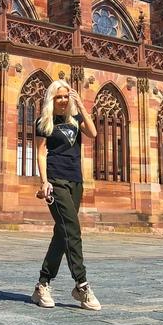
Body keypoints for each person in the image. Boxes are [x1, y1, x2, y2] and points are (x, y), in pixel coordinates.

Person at [31, 79, 101, 311]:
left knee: (63, 233)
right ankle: (82, 284)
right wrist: (44, 182)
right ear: (51, 99)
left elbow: (93, 133)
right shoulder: (44, 121)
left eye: (65, 96)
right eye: (58, 96)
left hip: (75, 181)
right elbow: (41, 153)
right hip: (56, 181)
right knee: (72, 230)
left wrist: (80, 105)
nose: (62, 100)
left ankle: (42, 284)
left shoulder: (75, 119)